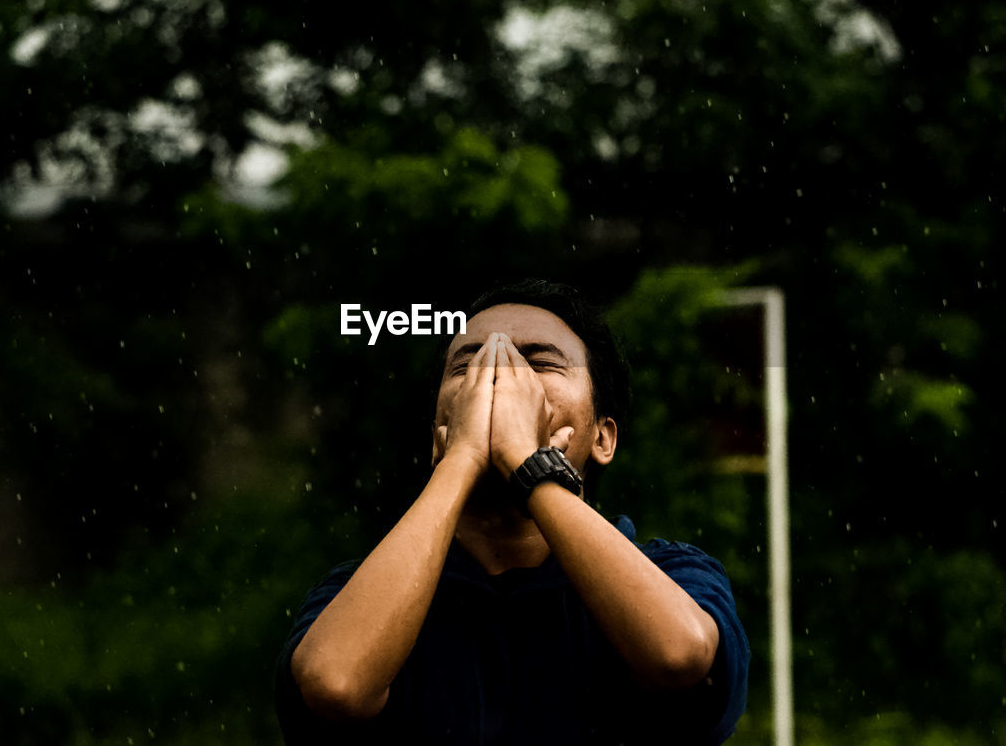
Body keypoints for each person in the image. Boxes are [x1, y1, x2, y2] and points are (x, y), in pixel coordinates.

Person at [274, 280, 749, 744]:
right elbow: (334, 684)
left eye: (538, 363)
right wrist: (462, 462)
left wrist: (530, 465)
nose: (501, 383)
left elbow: (679, 657)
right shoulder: (361, 593)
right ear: (440, 427)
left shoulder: (674, 574)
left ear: (603, 437)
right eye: (470, 368)